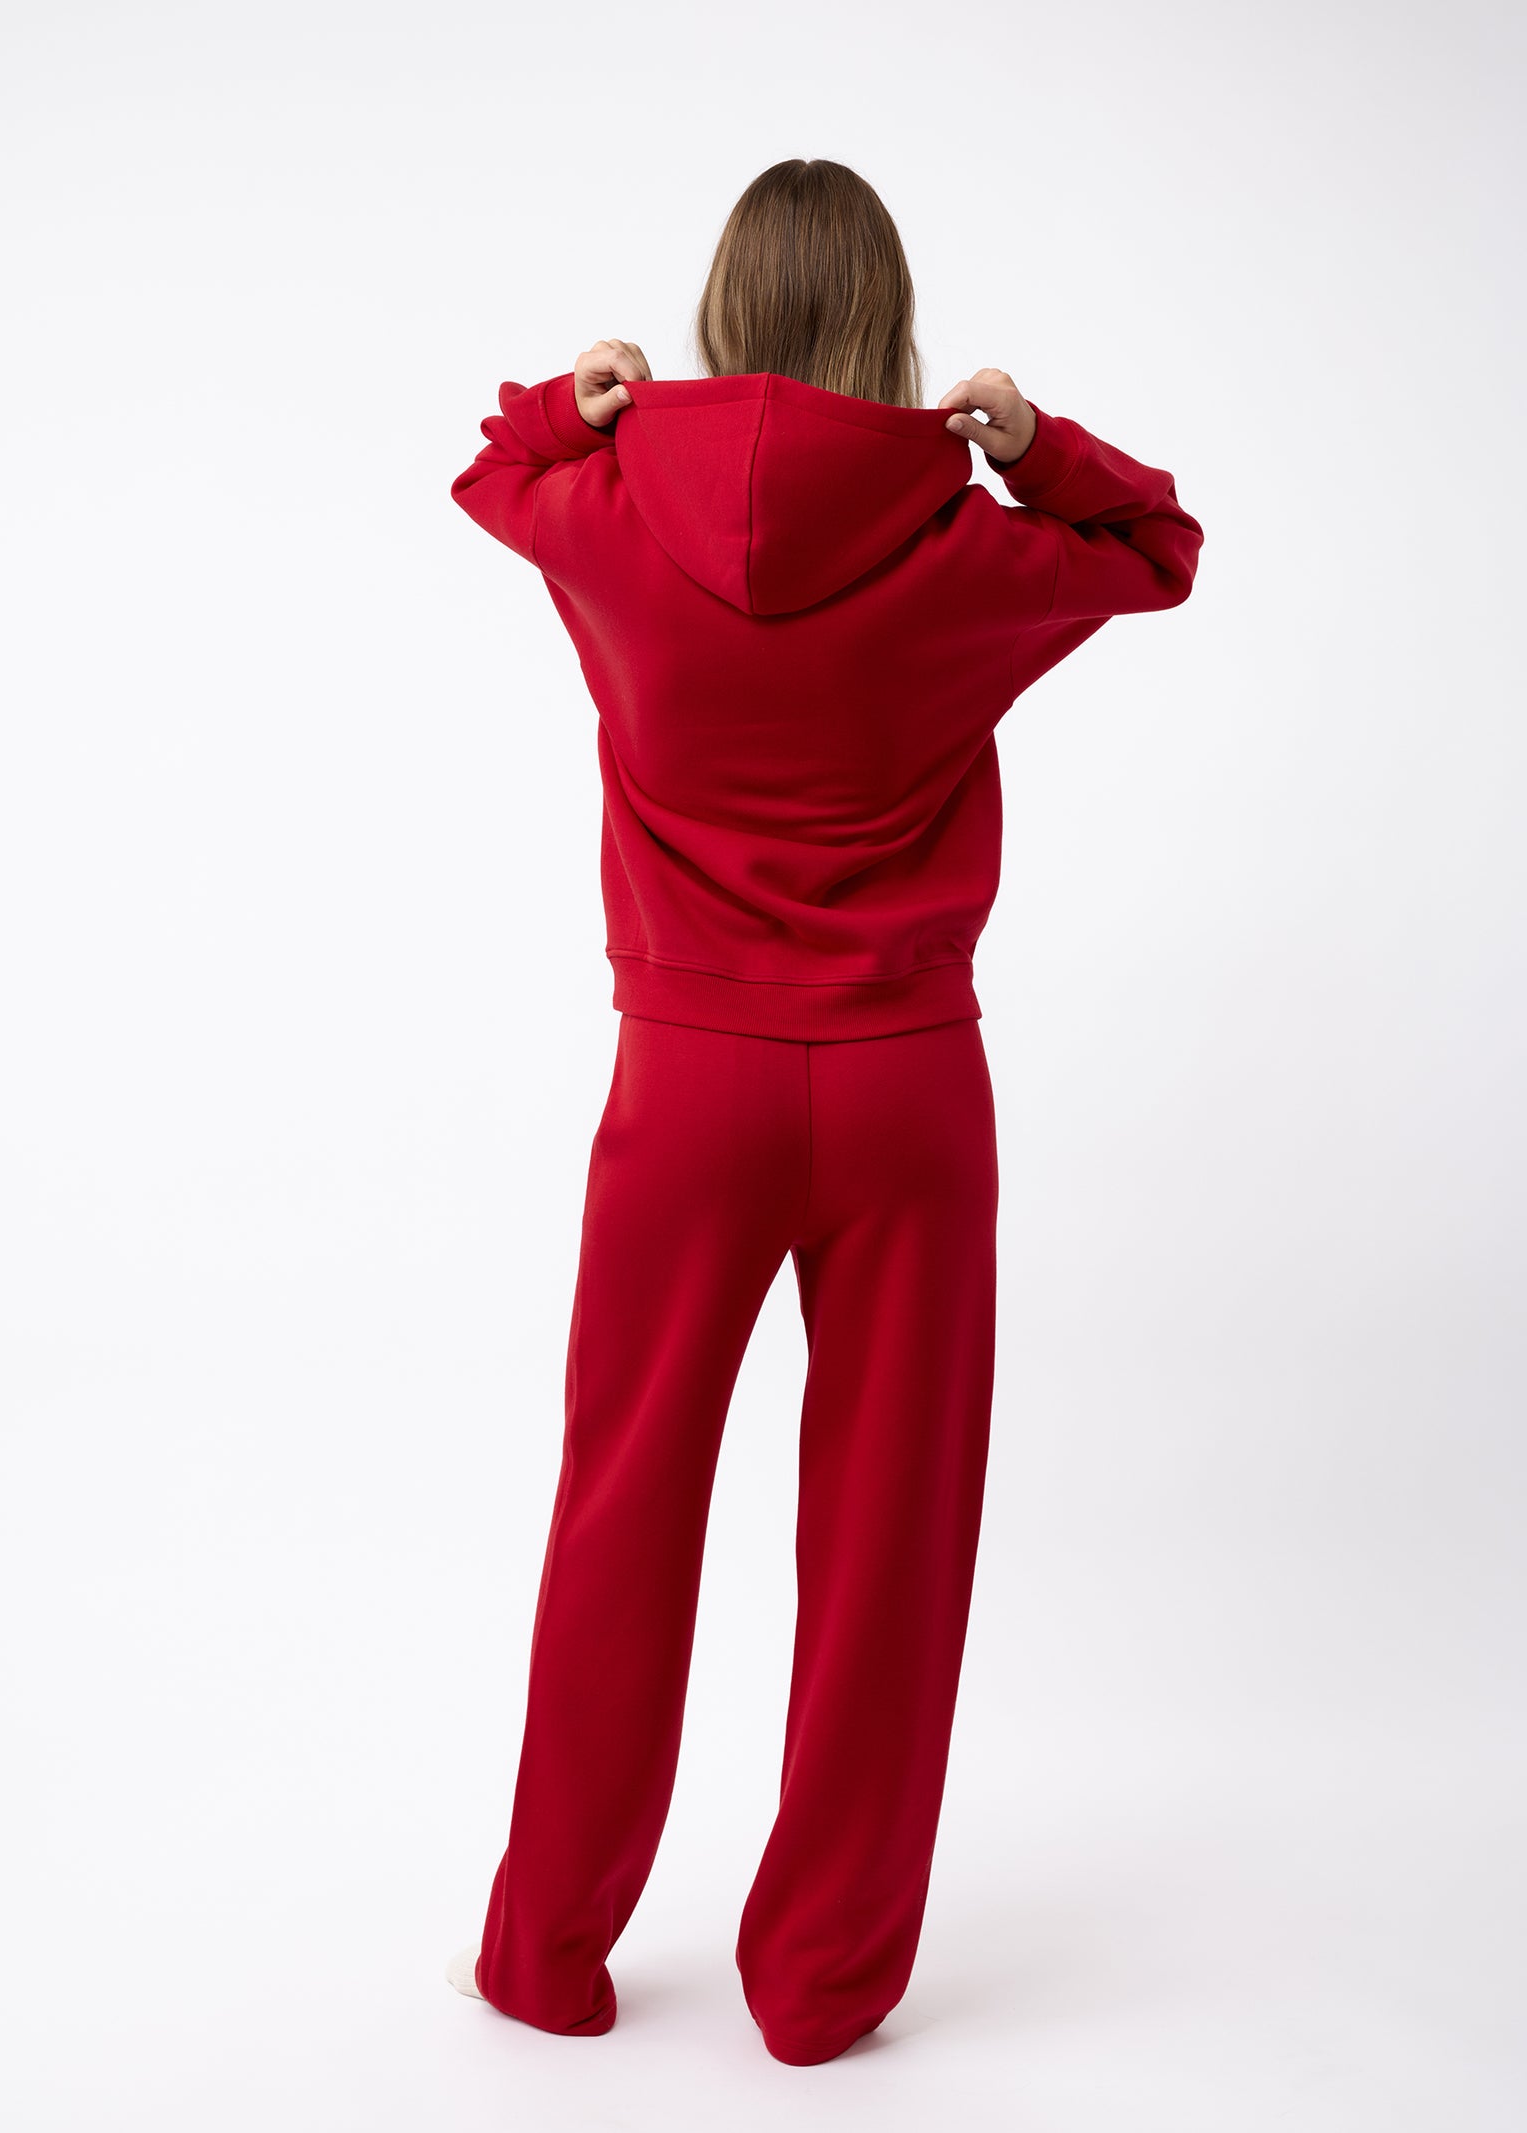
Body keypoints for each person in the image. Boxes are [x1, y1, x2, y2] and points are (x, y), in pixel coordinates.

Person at [443, 157, 1203, 2067]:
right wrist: (1033, 445)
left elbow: (490, 478)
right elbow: (1159, 547)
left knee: (624, 1504)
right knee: (888, 1540)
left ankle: (546, 1952)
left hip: (681, 1089)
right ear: (888, 326)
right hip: (905, 1094)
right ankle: (823, 1985)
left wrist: (572, 400)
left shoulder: (608, 517)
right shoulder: (968, 546)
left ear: (717, 316)